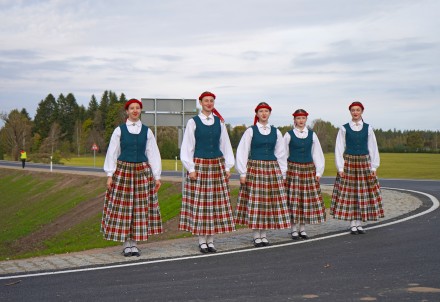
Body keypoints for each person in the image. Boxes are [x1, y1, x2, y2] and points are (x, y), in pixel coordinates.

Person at [102, 98, 162, 257]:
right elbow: (112, 153)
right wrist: (110, 175)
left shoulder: (147, 131)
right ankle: (125, 244)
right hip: (123, 172)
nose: (135, 111)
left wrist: (157, 176)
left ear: (140, 111)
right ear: (127, 111)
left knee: (139, 208)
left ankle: (134, 244)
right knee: (124, 207)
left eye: (137, 108)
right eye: (132, 108)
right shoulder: (119, 130)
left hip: (142, 171)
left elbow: (153, 154)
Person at [179, 91, 236, 253]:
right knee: (201, 203)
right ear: (201, 102)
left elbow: (225, 144)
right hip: (200, 165)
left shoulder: (219, 122)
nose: (209, 103)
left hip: (217, 164)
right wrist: (191, 168)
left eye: (211, 101)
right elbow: (188, 146)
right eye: (206, 101)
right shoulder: (193, 122)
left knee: (214, 203)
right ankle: (201, 240)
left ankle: (211, 240)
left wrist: (227, 167)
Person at [235, 102, 290, 247]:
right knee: (256, 202)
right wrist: (242, 172)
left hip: (272, 168)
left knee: (267, 203)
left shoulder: (276, 131)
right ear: (257, 114)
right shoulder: (251, 131)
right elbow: (242, 151)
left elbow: (281, 153)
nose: (264, 113)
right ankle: (255, 236)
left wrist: (283, 173)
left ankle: (264, 235)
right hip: (255, 168)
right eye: (261, 111)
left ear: (269, 113)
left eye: (266, 111)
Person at [331, 101, 384, 235]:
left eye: (358, 110)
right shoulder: (344, 128)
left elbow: (373, 148)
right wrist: (340, 167)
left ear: (362, 112)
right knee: (351, 193)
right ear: (350, 112)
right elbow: (339, 148)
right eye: (353, 110)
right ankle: (352, 224)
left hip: (364, 162)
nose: (355, 112)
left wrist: (374, 167)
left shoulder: (368, 128)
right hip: (349, 162)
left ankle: (359, 223)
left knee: (363, 193)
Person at [284, 109, 325, 240]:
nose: (301, 121)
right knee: (294, 199)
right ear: (294, 120)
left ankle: (303, 229)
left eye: (303, 118)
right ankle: (293, 229)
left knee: (305, 199)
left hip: (308, 169)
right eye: (298, 118)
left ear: (306, 119)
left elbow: (317, 153)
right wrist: (284, 172)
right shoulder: (288, 135)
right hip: (293, 169)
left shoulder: (312, 135)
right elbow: (283, 154)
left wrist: (318, 171)